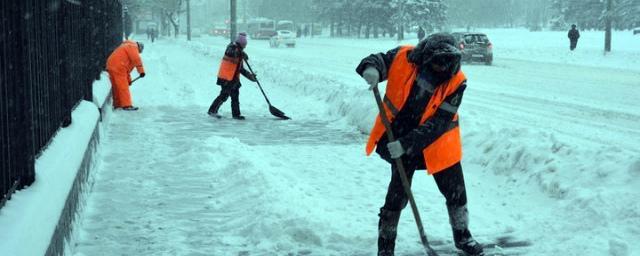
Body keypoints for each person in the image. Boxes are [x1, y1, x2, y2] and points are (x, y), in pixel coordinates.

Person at [356, 33, 484, 256]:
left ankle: (463, 237)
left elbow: (441, 121)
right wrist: (372, 69)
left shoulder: (457, 81)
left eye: (448, 64)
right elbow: (378, 59)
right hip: (398, 134)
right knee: (397, 195)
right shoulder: (403, 57)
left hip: (438, 142)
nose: (442, 69)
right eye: (437, 63)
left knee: (456, 192)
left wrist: (407, 144)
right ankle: (385, 247)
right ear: (425, 57)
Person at [208, 32, 257, 120]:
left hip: (233, 79)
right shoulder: (231, 47)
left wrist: (251, 77)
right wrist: (240, 53)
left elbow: (241, 69)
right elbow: (231, 53)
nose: (245, 47)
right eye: (244, 45)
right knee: (224, 95)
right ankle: (212, 110)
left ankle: (236, 115)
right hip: (226, 78)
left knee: (235, 97)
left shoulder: (239, 51)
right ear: (241, 44)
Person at [106, 40, 145, 111]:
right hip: (119, 66)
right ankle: (127, 105)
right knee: (123, 87)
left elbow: (127, 71)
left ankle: (117, 104)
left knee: (117, 87)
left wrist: (128, 80)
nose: (138, 53)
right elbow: (137, 59)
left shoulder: (127, 47)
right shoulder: (133, 47)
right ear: (139, 47)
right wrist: (141, 71)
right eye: (139, 51)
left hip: (112, 65)